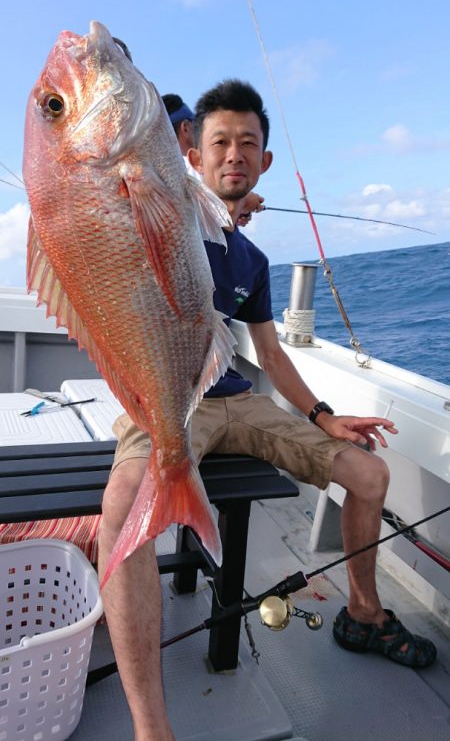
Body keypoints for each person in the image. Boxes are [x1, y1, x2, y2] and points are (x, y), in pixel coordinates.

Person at [98, 79, 437, 741]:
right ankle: (152, 727)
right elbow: (138, 148)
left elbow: (271, 355)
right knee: (121, 511)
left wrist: (321, 415)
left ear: (264, 159)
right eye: (217, 141)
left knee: (369, 474)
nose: (233, 154)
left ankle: (363, 612)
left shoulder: (252, 259)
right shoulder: (162, 214)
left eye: (247, 143)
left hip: (241, 404)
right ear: (189, 152)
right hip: (170, 400)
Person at [162, 91, 265, 227]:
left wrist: (238, 209)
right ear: (186, 127)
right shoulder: (189, 167)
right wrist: (242, 201)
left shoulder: (160, 172)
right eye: (197, 125)